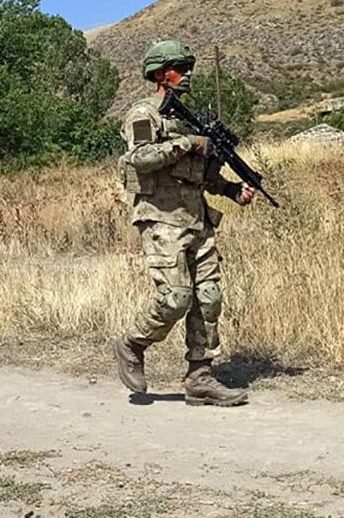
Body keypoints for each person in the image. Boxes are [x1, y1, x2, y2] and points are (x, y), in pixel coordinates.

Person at [112, 40, 256, 407]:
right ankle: (132, 343)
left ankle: (200, 378)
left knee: (209, 298)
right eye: (181, 68)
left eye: (189, 67)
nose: (188, 74)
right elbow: (140, 157)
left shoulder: (188, 121)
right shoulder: (144, 114)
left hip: (197, 220)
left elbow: (201, 177)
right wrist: (189, 143)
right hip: (162, 220)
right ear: (161, 73)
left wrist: (231, 189)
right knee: (175, 298)